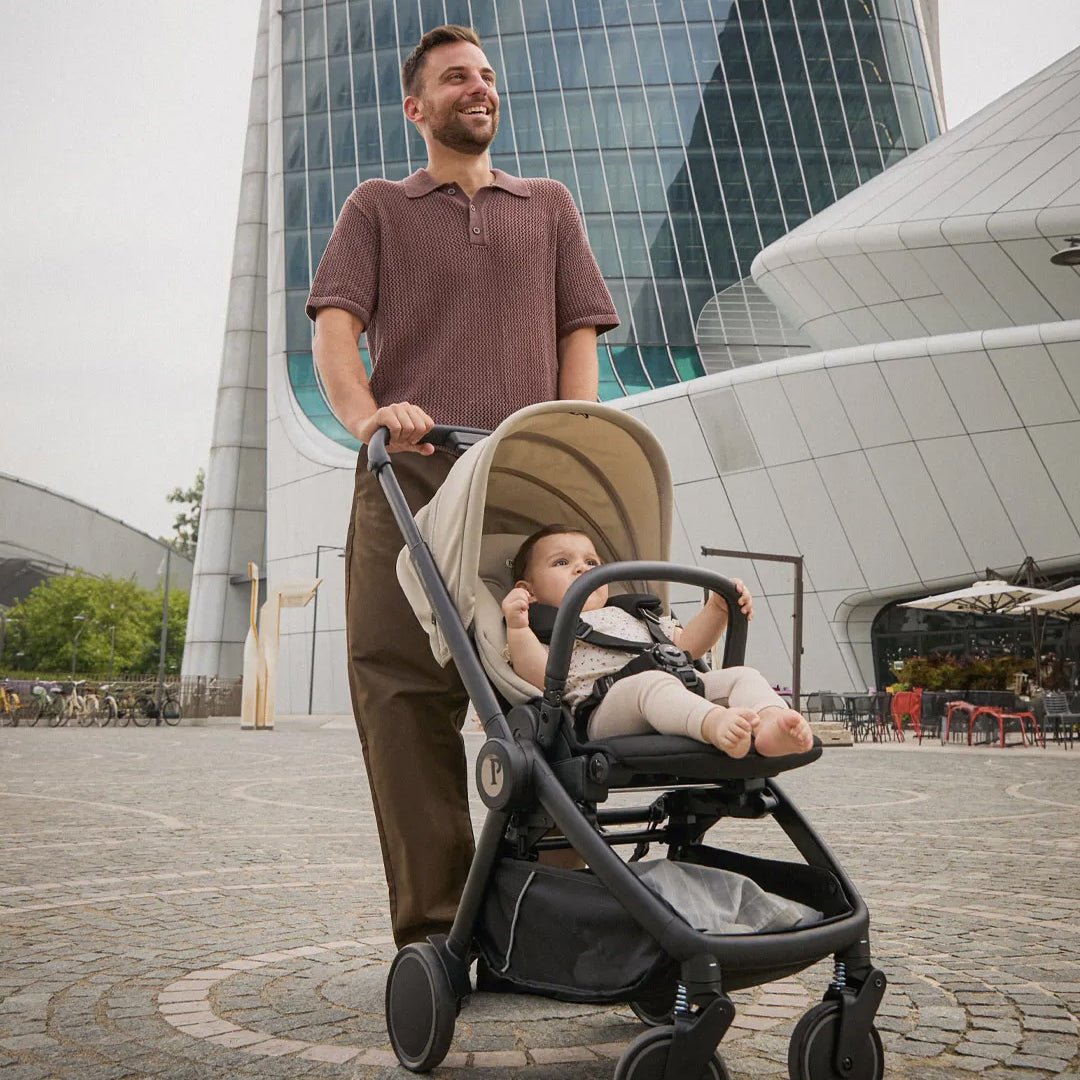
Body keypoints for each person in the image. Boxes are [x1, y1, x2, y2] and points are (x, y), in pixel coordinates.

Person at [305, 25, 618, 948]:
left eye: (485, 76)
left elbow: (580, 337)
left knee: (556, 683)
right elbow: (335, 330)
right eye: (455, 78)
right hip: (410, 474)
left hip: (521, 477)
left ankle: (552, 917)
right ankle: (438, 931)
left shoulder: (549, 205)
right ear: (417, 107)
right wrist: (369, 419)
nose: (477, 88)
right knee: (404, 694)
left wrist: (567, 439)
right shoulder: (377, 208)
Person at [502, 526, 814, 758]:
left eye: (591, 562)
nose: (582, 568)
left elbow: (686, 647)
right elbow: (540, 676)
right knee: (651, 683)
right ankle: (712, 723)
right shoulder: (545, 628)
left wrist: (718, 608)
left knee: (743, 676)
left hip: (676, 688)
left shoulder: (634, 614)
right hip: (605, 712)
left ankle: (771, 723)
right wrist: (518, 626)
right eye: (561, 562)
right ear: (530, 591)